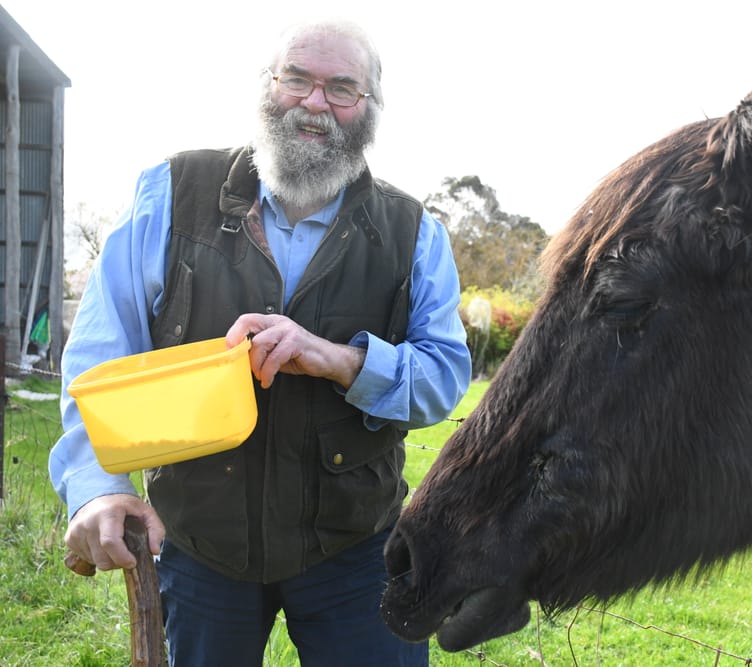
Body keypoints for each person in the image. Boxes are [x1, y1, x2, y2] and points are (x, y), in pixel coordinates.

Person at [49, 19, 471, 667]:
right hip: (199, 542)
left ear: (370, 109)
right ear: (266, 87)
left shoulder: (415, 232)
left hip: (354, 546)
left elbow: (444, 379)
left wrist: (339, 360)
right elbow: (100, 354)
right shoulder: (171, 193)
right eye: (296, 78)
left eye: (341, 88)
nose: (313, 102)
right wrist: (96, 483)